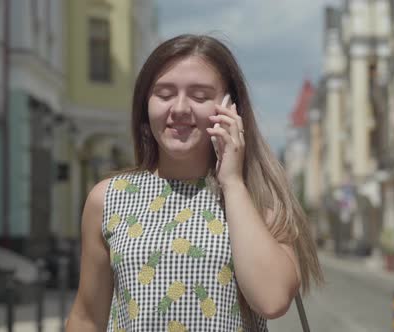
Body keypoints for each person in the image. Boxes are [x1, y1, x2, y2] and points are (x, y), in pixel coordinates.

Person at [66, 34, 323, 332]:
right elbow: (87, 317)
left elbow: (273, 300)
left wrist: (232, 182)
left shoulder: (259, 200)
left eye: (200, 96)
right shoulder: (108, 199)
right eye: (164, 94)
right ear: (145, 106)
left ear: (230, 109)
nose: (179, 109)